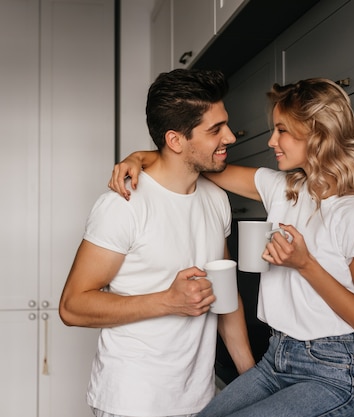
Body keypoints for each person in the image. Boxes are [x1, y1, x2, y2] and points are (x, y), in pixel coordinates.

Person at [108, 78, 354, 417]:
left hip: (337, 374)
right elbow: (200, 163)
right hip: (277, 358)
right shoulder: (285, 189)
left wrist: (306, 265)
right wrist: (142, 156)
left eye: (282, 130)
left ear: (316, 134)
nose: (272, 141)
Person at [59, 68, 256, 417]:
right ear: (176, 140)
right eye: (214, 130)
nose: (229, 136)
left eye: (225, 124)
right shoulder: (124, 204)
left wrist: (251, 381)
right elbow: (72, 307)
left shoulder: (216, 199)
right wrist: (168, 301)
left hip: (201, 399)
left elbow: (226, 297)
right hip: (133, 401)